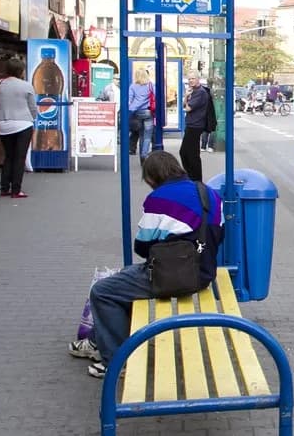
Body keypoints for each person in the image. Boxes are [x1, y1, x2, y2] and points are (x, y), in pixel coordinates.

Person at [67, 151, 223, 378]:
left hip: (174, 277)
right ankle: (96, 342)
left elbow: (141, 246)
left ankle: (116, 362)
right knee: (122, 279)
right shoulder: (207, 191)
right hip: (204, 272)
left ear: (151, 178)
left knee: (102, 291)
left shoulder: (159, 198)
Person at [0, 57, 39, 198]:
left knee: (9, 156)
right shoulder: (26, 86)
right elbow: (33, 108)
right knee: (19, 158)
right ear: (21, 71)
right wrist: (34, 119)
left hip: (3, 124)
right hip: (23, 124)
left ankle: (4, 188)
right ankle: (16, 190)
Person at [180, 73, 211, 181]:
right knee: (186, 152)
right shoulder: (193, 91)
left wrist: (187, 96)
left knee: (191, 154)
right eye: (189, 79)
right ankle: (192, 176)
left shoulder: (200, 92)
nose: (191, 81)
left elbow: (188, 108)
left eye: (193, 78)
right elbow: (184, 105)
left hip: (195, 125)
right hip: (192, 124)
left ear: (198, 79)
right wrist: (186, 96)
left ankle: (195, 178)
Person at [127, 70, 155, 161]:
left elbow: (129, 99)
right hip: (148, 112)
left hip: (137, 112)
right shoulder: (150, 85)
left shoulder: (133, 86)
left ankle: (141, 155)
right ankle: (144, 154)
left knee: (141, 134)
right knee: (147, 135)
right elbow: (155, 96)